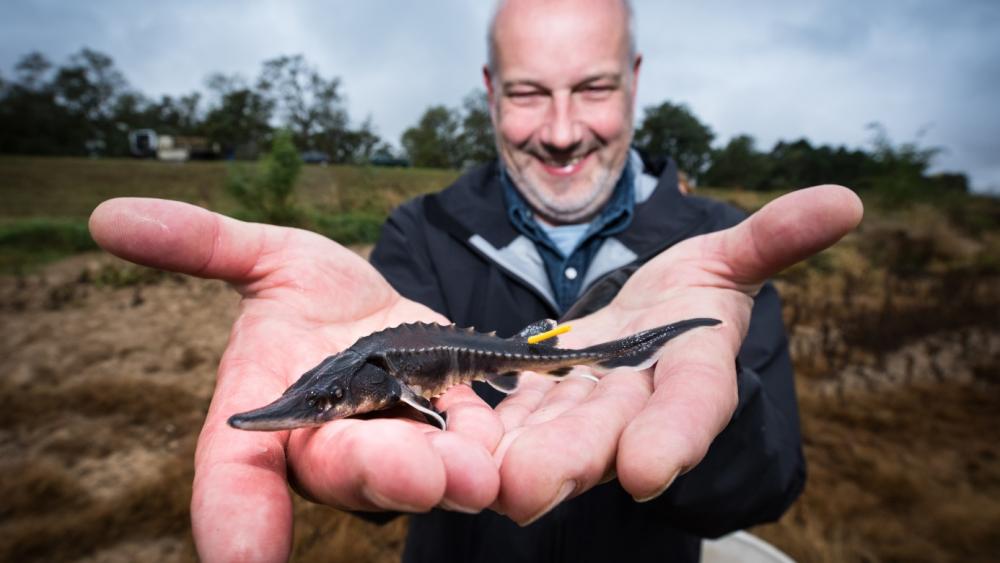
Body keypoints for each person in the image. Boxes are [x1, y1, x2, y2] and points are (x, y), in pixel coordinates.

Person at [89, 0, 863, 561]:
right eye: (529, 92)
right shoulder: (419, 232)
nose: (561, 129)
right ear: (491, 91)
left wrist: (699, 408)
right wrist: (337, 429)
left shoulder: (717, 250)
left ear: (635, 81)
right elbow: (384, 474)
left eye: (591, 87)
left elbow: (771, 486)